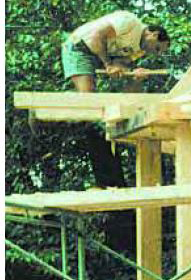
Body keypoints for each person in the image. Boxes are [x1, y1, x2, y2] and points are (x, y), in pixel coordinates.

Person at [60, 11, 170, 187]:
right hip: (80, 47)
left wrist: (134, 76)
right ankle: (58, 108)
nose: (154, 53)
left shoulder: (138, 51)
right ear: (153, 34)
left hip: (99, 54)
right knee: (88, 102)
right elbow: (97, 36)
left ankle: (106, 179)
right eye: (157, 48)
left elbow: (123, 70)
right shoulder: (129, 22)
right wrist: (108, 65)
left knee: (92, 116)